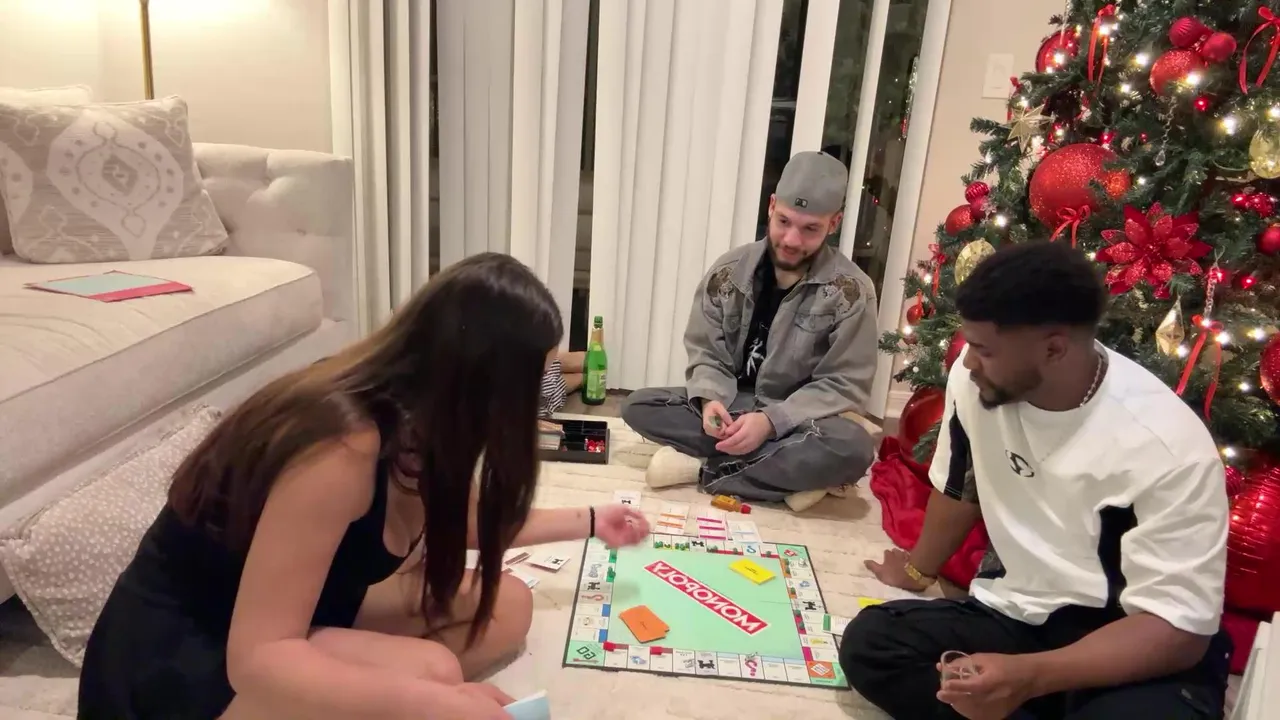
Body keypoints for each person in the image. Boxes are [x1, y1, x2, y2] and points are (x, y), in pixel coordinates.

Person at [78, 253, 651, 720]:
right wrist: (428, 703)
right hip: (192, 647)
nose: (543, 396)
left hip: (299, 603)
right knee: (433, 674)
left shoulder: (423, 420)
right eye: (533, 379)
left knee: (510, 605)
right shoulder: (341, 446)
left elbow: (470, 521)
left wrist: (592, 520)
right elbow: (258, 658)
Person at [840, 242, 1231, 719]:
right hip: (1018, 616)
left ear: (1054, 349)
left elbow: (1180, 632)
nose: (967, 362)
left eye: (983, 350)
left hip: (1126, 640)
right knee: (872, 644)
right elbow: (962, 487)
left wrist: (1030, 677)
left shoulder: (1168, 446)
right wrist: (917, 570)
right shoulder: (976, 384)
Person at [622, 151, 878, 512]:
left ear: (834, 223)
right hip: (734, 406)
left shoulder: (853, 291)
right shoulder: (728, 271)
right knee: (639, 406)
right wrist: (709, 400)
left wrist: (772, 422)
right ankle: (784, 475)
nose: (792, 239)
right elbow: (706, 352)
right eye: (784, 221)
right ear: (771, 206)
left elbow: (845, 383)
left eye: (810, 229)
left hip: (798, 420)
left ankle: (701, 470)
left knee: (853, 447)